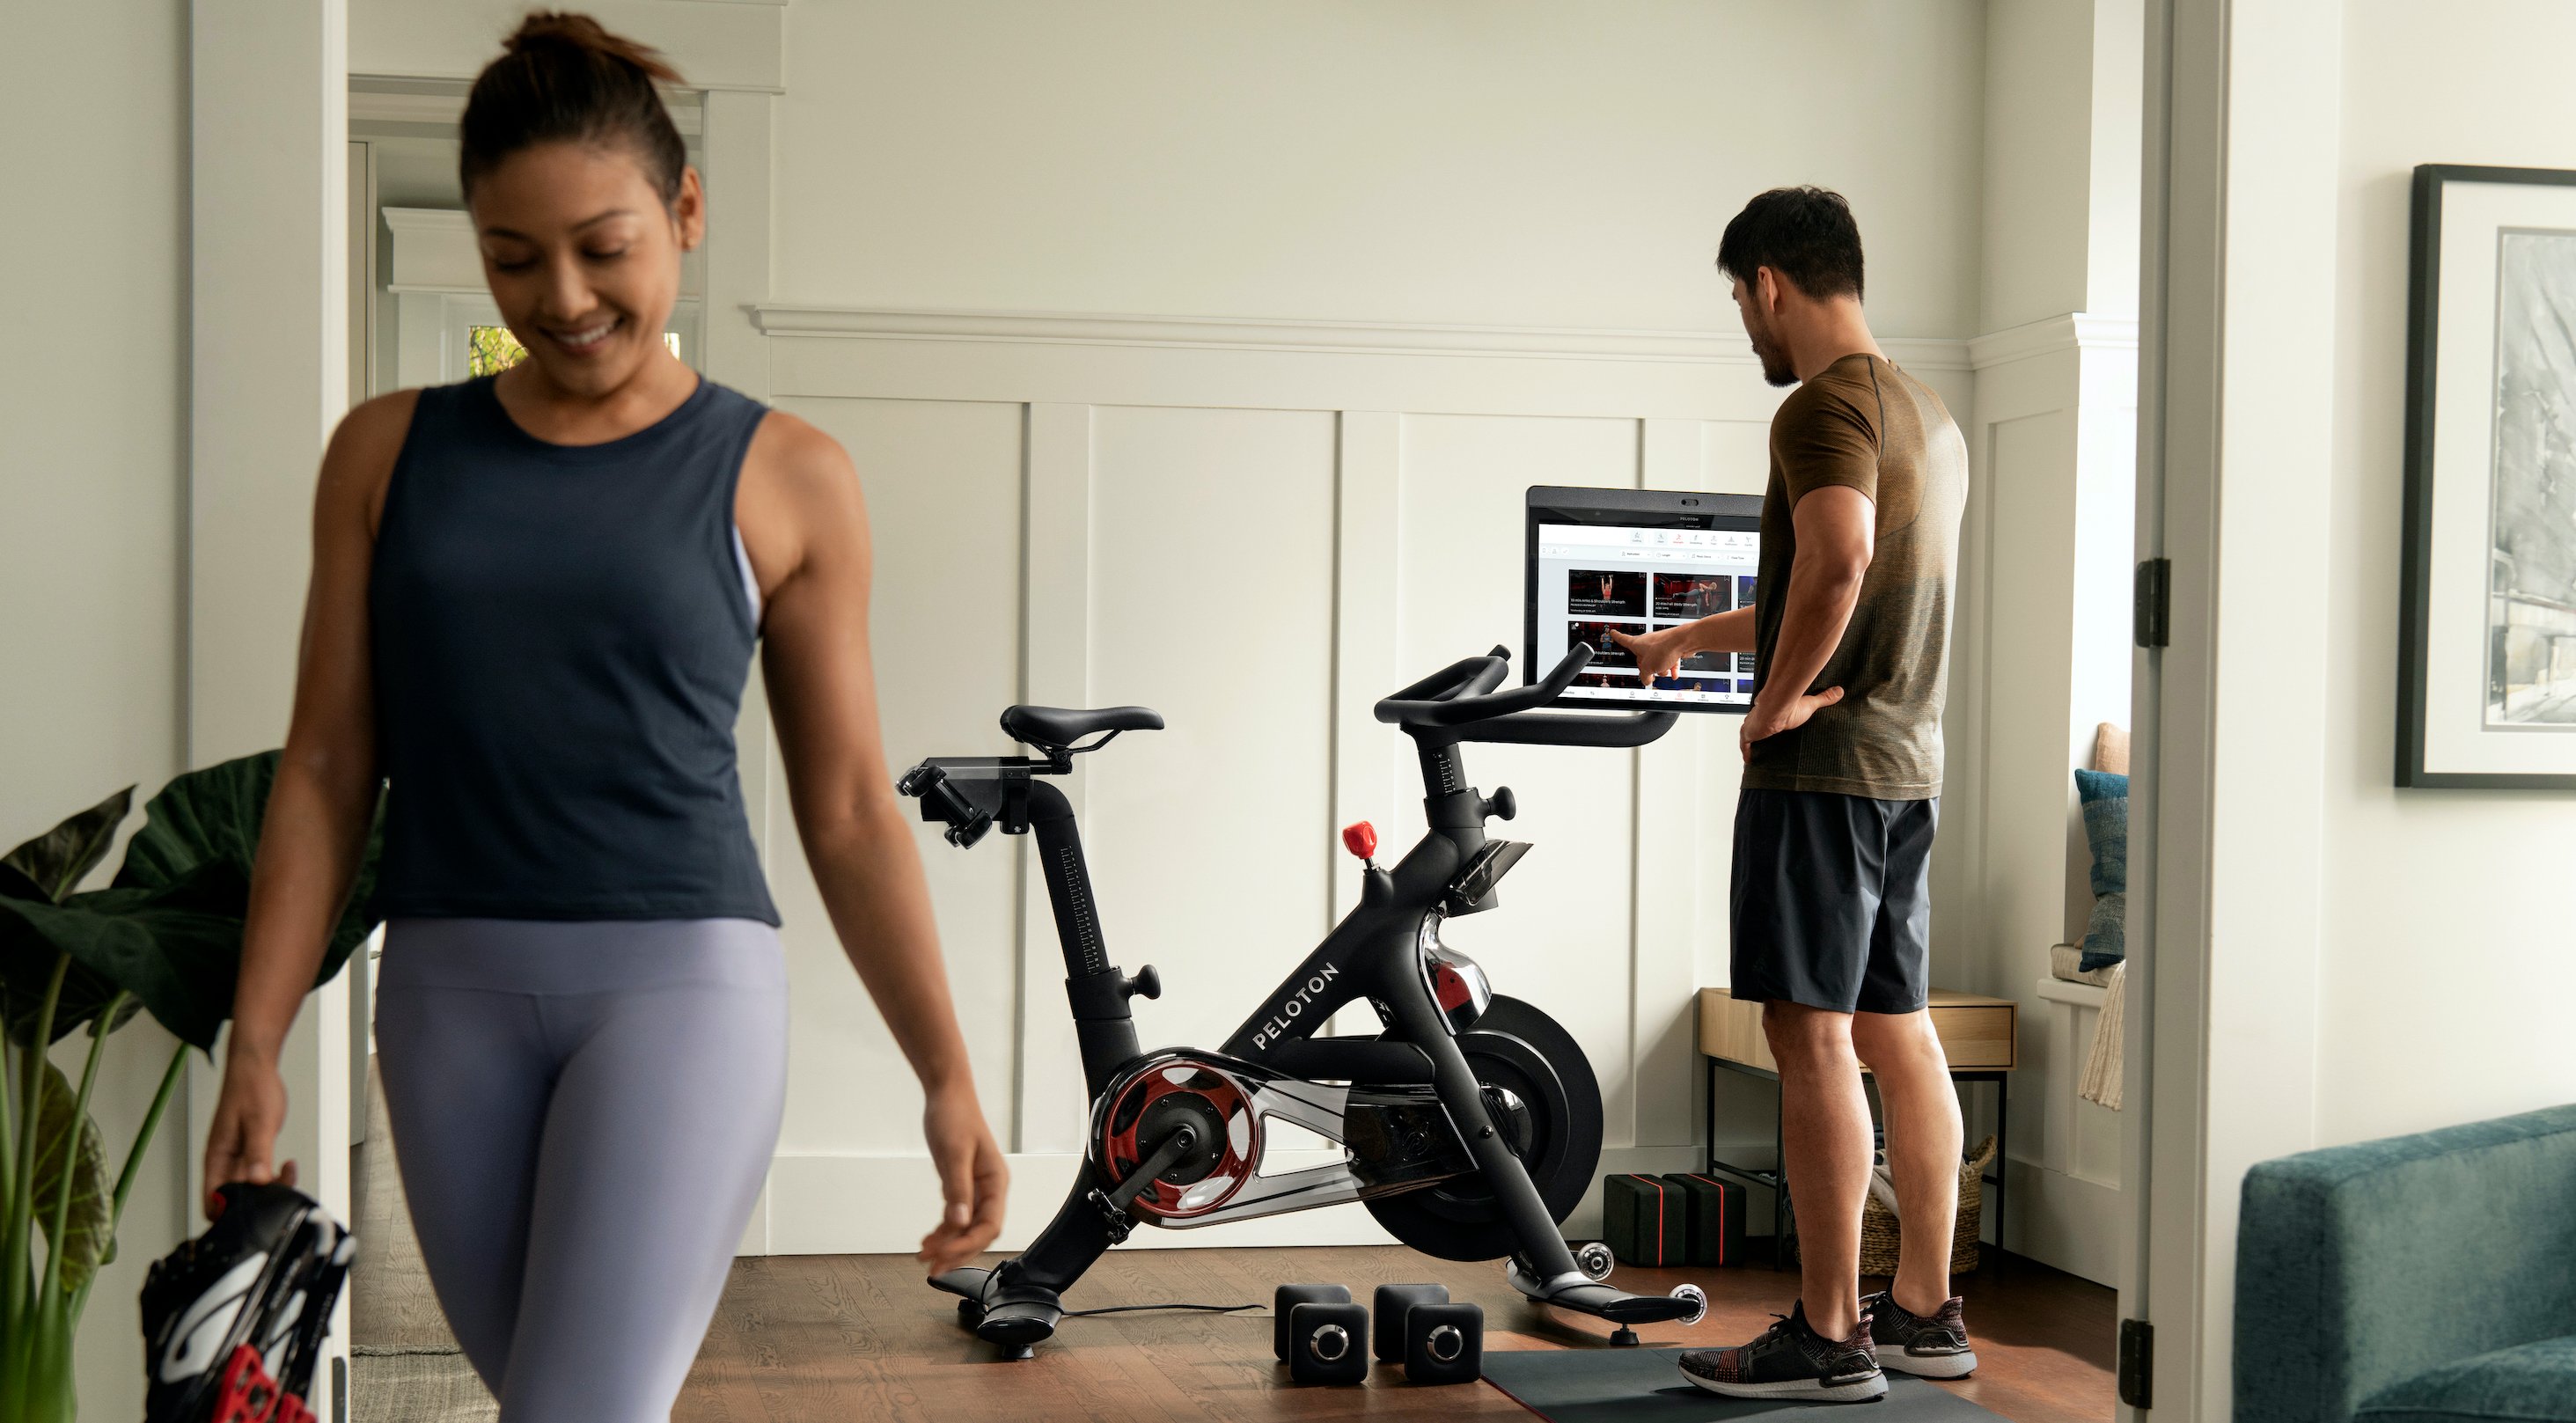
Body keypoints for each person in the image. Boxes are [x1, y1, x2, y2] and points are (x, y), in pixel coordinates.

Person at [200, 14, 1007, 1420]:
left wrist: (946, 1072)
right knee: (550, 1396)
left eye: (604, 245)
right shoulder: (384, 456)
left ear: (686, 210)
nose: (561, 294)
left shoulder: (790, 474)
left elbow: (847, 804)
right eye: (514, 256)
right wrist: (258, 1036)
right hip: (445, 992)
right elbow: (330, 767)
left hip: (681, 992)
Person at [1612, 187, 1971, 1404]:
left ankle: (1827, 1332)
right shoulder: (1928, 413)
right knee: (1896, 1030)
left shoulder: (1820, 406)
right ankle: (1925, 1308)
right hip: (1904, 770)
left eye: (1738, 303)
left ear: (1769, 281)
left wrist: (1768, 707)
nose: (1746, 330)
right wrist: (1689, 641)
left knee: (1807, 1032)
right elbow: (1841, 580)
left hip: (1819, 776)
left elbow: (1840, 559)